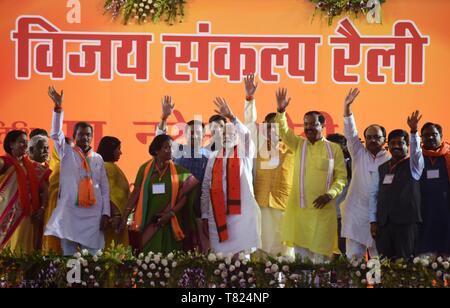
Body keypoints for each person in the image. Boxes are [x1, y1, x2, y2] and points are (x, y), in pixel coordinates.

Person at [274, 88, 347, 263]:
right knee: (301, 261)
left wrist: (330, 194)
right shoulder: (299, 145)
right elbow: (283, 131)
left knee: (321, 260)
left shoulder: (334, 149)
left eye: (313, 124)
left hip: (323, 211)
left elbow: (341, 178)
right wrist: (281, 111)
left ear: (322, 126)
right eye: (305, 124)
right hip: (300, 212)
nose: (308, 128)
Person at [44, 86, 110, 256]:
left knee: (95, 259)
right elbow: (56, 134)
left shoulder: (98, 158)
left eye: (88, 134)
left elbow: (104, 189)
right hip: (70, 214)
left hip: (93, 216)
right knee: (69, 258)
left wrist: (105, 213)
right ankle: (71, 284)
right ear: (74, 136)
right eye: (81, 134)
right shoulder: (66, 152)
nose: (85, 137)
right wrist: (58, 109)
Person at [201, 97, 261, 257]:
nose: (227, 136)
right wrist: (205, 215)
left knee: (241, 265)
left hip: (241, 216)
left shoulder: (245, 153)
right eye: (224, 133)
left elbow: (247, 134)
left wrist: (232, 117)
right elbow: (206, 187)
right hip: (218, 217)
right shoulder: (213, 157)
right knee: (219, 264)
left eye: (231, 133)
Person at [243, 74, 294, 258]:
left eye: (278, 126)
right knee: (261, 250)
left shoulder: (293, 147)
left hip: (285, 206)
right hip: (262, 203)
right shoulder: (258, 144)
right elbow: (249, 123)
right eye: (269, 126)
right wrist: (250, 99)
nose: (274, 130)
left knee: (285, 252)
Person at [120, 134, 199, 254]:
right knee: (148, 258)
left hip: (171, 222)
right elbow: (136, 193)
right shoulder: (144, 169)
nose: (171, 151)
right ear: (156, 150)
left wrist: (170, 213)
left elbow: (184, 196)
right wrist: (125, 215)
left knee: (170, 260)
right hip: (148, 221)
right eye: (167, 148)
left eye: (172, 147)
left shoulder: (179, 171)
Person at [341, 88, 391, 260]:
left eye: (377, 137)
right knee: (353, 259)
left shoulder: (391, 159)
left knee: (377, 261)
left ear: (384, 140)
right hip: (356, 214)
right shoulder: (358, 153)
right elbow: (350, 133)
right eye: (369, 137)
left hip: (380, 217)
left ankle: (375, 285)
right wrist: (347, 108)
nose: (372, 140)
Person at [156, 96, 210, 251]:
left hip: (201, 210)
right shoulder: (176, 151)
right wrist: (164, 118)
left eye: (198, 133)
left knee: (203, 250)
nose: (194, 136)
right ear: (185, 134)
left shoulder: (211, 156)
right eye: (191, 133)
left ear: (204, 136)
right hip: (178, 209)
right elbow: (159, 142)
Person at [369, 111, 424, 259]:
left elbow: (417, 151)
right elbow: (374, 195)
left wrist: (413, 132)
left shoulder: (414, 166)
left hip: (406, 223)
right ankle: (384, 284)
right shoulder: (382, 167)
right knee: (385, 263)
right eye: (392, 143)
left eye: (400, 143)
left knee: (404, 264)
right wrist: (373, 221)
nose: (396, 146)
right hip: (384, 224)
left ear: (407, 146)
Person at [0, 130, 48, 253]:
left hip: (27, 215)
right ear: (11, 144)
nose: (25, 145)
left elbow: (44, 188)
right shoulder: (4, 162)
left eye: (26, 142)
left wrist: (42, 208)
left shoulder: (31, 166)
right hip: (7, 213)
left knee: (23, 251)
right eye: (21, 142)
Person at [417, 122, 450, 256]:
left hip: (446, 213)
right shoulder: (417, 159)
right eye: (426, 135)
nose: (430, 138)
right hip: (425, 214)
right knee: (424, 260)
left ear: (441, 136)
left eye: (434, 134)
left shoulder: (448, 156)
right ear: (421, 138)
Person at [97, 136, 130, 249]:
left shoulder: (111, 166)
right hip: (113, 221)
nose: (120, 152)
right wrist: (116, 215)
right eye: (118, 149)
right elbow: (109, 194)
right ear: (110, 150)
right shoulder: (108, 167)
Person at [326, 133, 351, 255]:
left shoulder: (350, 165)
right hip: (325, 217)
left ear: (345, 148)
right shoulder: (322, 166)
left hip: (343, 217)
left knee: (343, 253)